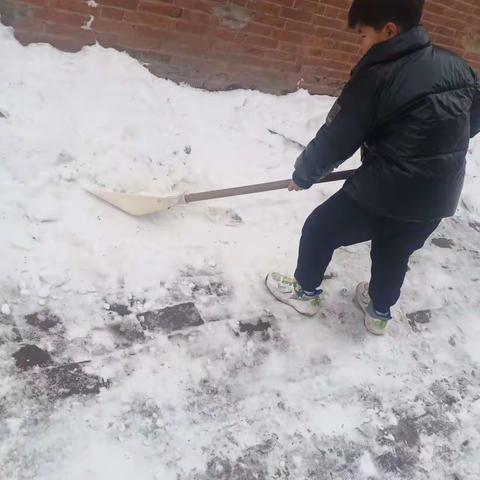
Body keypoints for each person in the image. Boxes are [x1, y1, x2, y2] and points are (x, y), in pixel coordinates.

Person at [265, 0, 480, 335]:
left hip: (385, 191)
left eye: (362, 35)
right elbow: (472, 118)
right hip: (438, 196)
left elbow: (338, 136)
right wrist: (435, 149)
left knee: (320, 230)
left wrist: (304, 174)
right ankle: (379, 311)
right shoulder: (458, 67)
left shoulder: (377, 76)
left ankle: (304, 292)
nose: (359, 44)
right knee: (395, 249)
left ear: (389, 31)